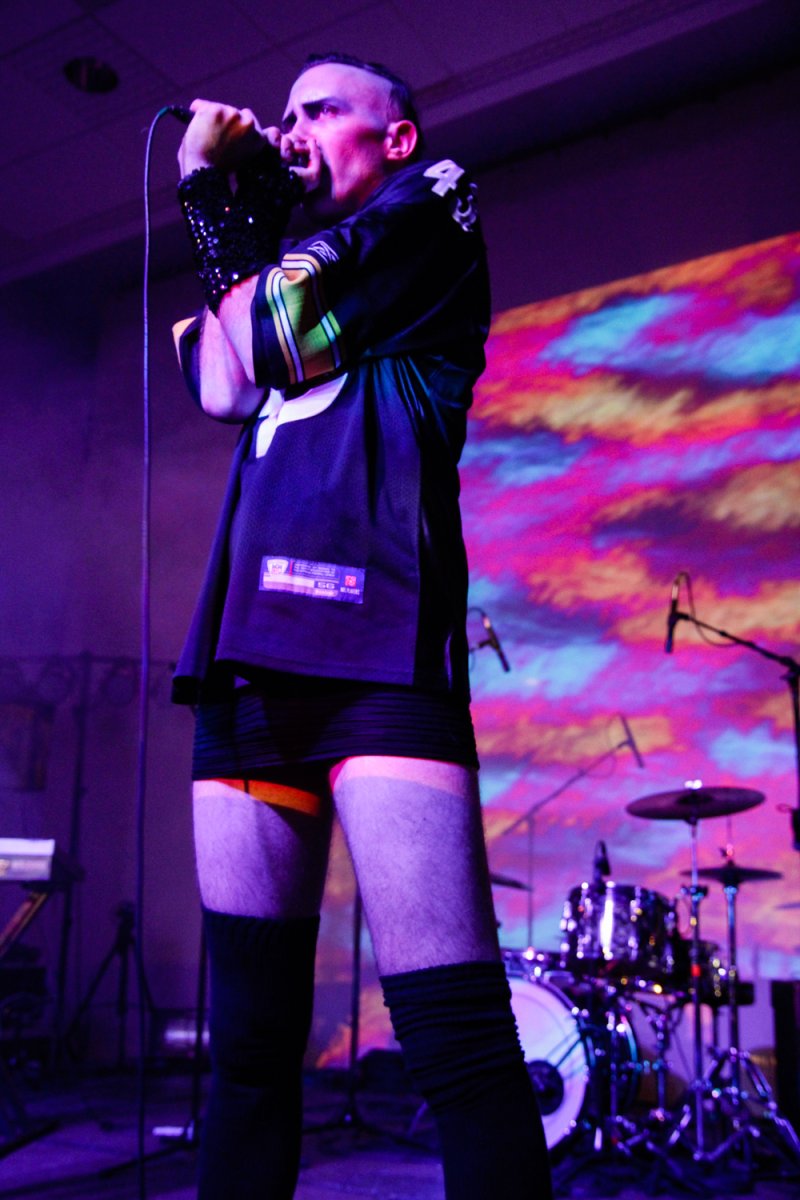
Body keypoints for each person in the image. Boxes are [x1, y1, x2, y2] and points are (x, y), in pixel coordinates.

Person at [172, 52, 551, 1200]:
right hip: (246, 668)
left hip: (377, 656)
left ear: (391, 135)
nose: (291, 129)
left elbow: (271, 334)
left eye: (320, 111)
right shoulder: (296, 256)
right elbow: (222, 387)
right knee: (243, 1058)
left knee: (457, 1048)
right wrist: (243, 208)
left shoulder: (431, 199)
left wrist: (210, 197)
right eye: (282, 117)